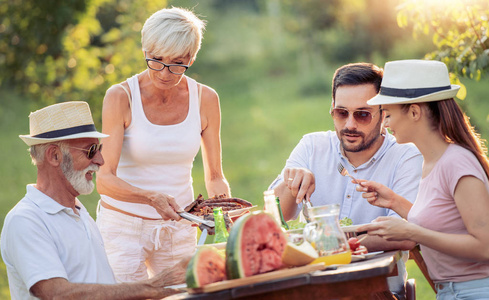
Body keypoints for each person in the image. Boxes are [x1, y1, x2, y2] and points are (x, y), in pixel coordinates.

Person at [0, 101, 189, 300]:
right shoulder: (25, 220)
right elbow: (56, 294)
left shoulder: (79, 213)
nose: (100, 160)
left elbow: (100, 288)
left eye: (99, 149)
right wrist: (153, 286)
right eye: (90, 150)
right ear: (54, 156)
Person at [95, 7, 231, 283]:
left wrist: (224, 210)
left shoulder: (206, 99)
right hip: (123, 227)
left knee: (181, 293)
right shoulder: (121, 97)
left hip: (178, 225)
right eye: (156, 60)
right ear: (145, 51)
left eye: (178, 63)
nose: (165, 73)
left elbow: (215, 177)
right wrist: (150, 197)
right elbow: (104, 178)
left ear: (192, 58)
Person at [269, 62, 423, 299]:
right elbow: (275, 219)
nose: (350, 124)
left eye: (362, 114)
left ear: (384, 113)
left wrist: (330, 244)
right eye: (342, 113)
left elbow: (404, 233)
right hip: (313, 288)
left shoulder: (405, 155)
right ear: (332, 109)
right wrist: (292, 181)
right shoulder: (312, 146)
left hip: (375, 289)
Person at [357, 59, 489, 299]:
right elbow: (445, 224)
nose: (384, 125)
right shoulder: (431, 161)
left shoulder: (457, 162)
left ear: (415, 111)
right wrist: (395, 202)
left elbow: (485, 246)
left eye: (387, 115)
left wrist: (411, 233)